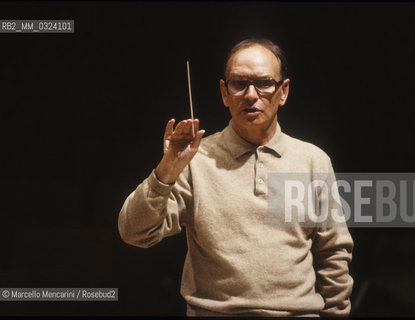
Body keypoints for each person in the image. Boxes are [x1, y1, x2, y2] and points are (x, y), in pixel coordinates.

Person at [118, 38, 353, 317]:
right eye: (239, 84)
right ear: (224, 92)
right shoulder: (195, 160)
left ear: (283, 91)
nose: (251, 94)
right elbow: (134, 233)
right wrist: (167, 169)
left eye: (264, 83)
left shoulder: (312, 161)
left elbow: (334, 253)